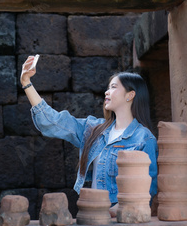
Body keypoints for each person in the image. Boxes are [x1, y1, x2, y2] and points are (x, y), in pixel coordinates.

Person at [20, 55, 158, 216]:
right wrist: (26, 83)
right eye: (108, 87)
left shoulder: (144, 139)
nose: (106, 92)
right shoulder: (93, 128)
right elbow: (52, 122)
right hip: (90, 213)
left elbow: (148, 187)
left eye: (113, 87)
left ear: (130, 95)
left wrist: (114, 211)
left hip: (121, 219)